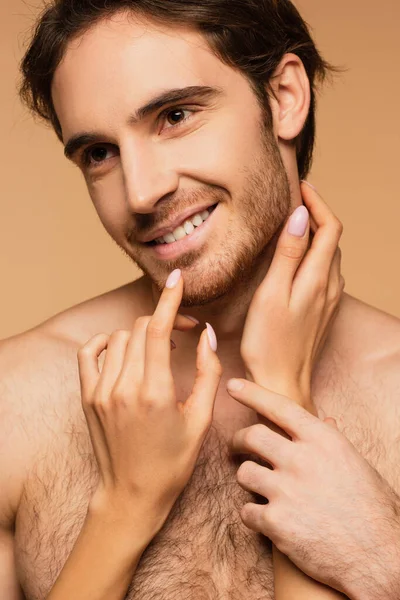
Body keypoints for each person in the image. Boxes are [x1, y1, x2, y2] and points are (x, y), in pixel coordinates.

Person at [1, 1, 400, 599]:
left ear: (285, 96)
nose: (141, 191)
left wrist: (385, 557)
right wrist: (125, 505)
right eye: (99, 154)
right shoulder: (15, 402)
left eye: (175, 115)